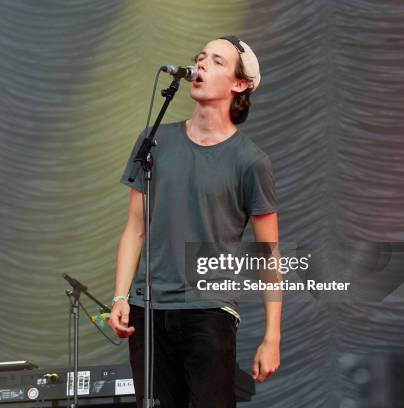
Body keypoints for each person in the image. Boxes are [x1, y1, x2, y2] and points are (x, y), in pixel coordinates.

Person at [109, 35, 281, 408]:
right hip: (148, 309)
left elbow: (269, 254)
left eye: (217, 61)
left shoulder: (251, 161)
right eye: (200, 57)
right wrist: (121, 295)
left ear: (240, 84)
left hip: (209, 310)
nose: (201, 64)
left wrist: (272, 337)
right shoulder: (155, 141)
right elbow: (134, 228)